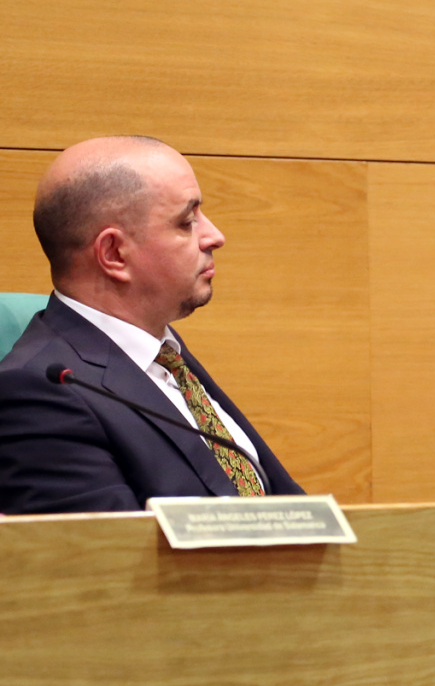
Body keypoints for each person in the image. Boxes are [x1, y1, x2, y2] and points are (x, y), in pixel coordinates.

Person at [0, 136, 301, 513]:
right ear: (113, 253)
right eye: (187, 221)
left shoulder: (165, 355)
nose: (215, 236)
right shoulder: (39, 394)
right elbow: (106, 561)